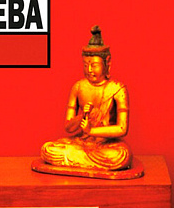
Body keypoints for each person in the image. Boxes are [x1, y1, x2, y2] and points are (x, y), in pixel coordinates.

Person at [40, 25, 132, 172]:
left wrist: (92, 130)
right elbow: (68, 127)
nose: (89, 70)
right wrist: (82, 116)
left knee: (121, 156)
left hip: (106, 144)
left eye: (94, 65)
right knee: (48, 149)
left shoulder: (117, 89)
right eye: (85, 65)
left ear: (107, 63)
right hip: (82, 142)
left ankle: (76, 160)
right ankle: (83, 160)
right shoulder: (78, 87)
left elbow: (122, 128)